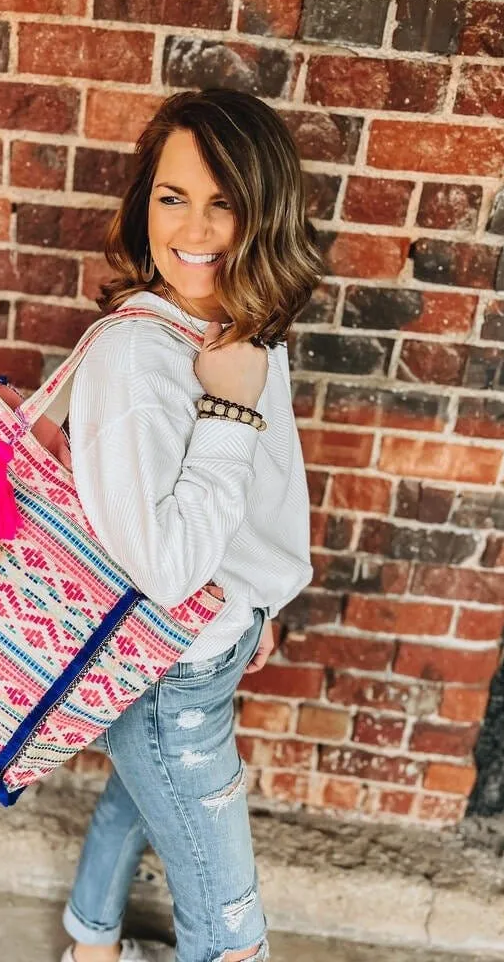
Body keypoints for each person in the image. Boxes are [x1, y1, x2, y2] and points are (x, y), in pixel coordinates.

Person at [58, 89, 323, 962]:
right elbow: (166, 566)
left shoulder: (244, 313)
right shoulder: (138, 356)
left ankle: (90, 942)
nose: (198, 229)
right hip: (176, 663)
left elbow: (257, 496)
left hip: (211, 640)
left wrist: (261, 602)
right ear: (144, 207)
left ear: (264, 212)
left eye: (225, 202)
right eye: (173, 197)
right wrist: (228, 410)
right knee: (231, 931)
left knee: (139, 794)